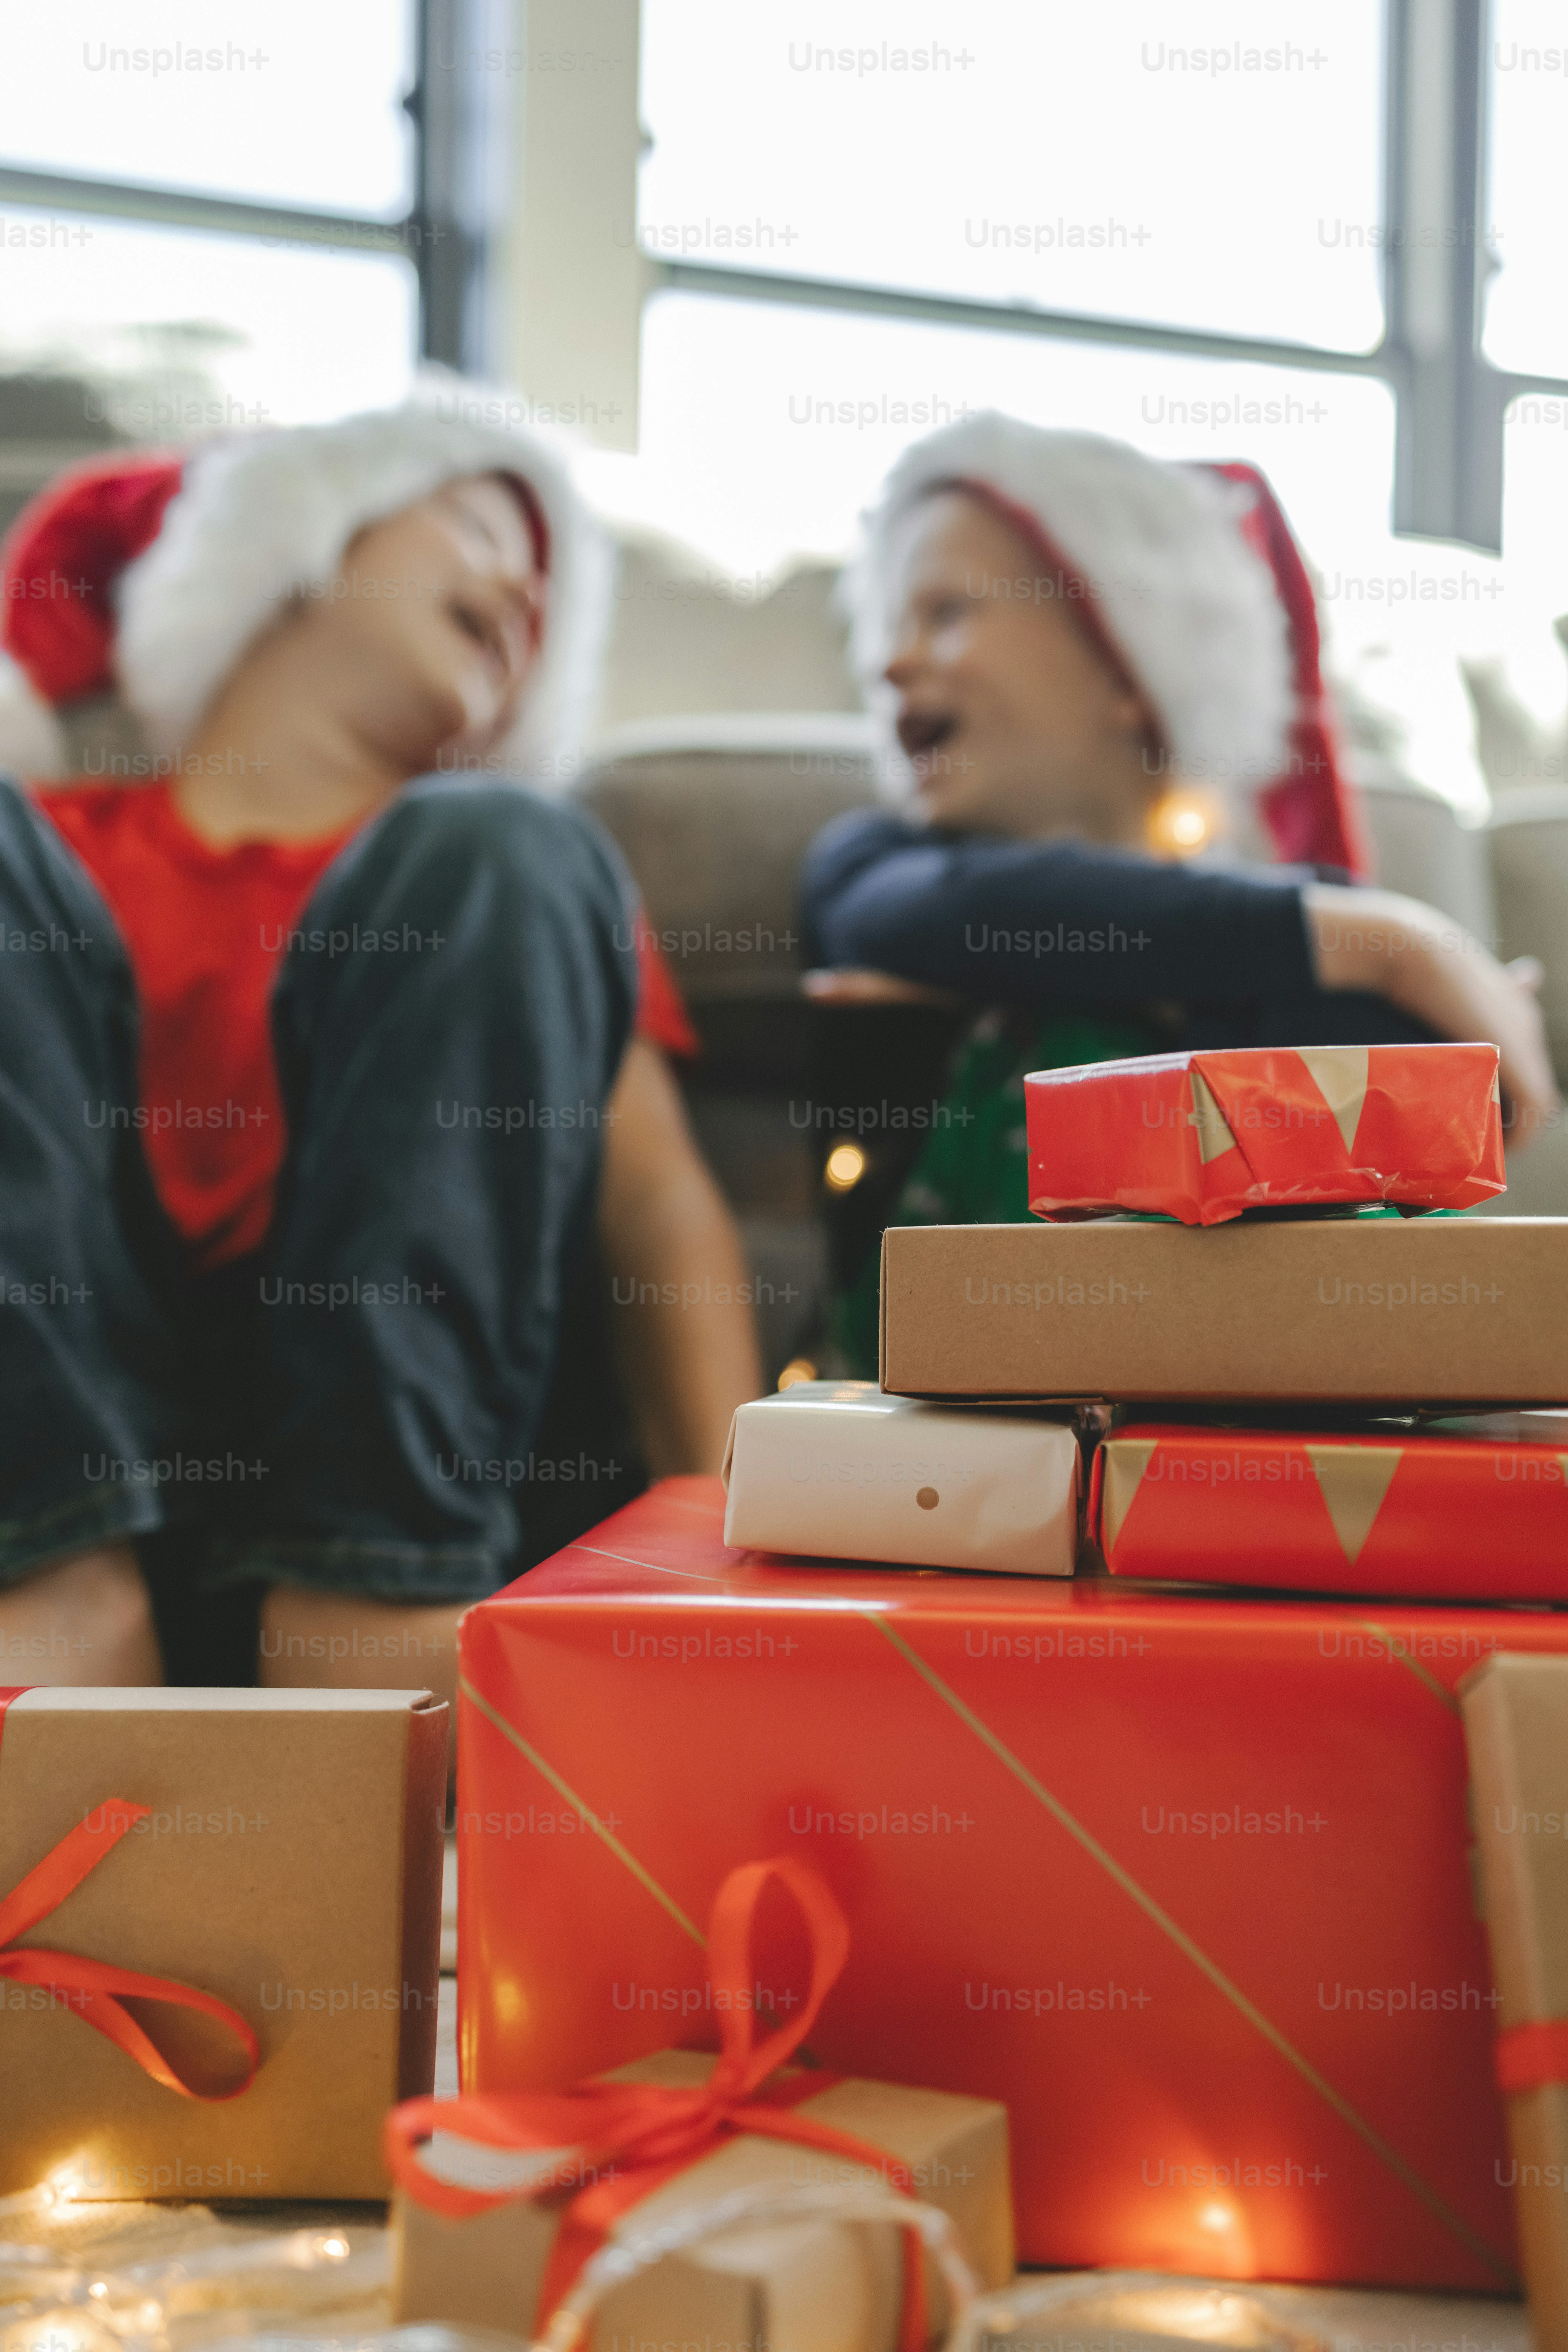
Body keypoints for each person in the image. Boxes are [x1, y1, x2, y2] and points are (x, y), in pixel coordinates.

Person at [0, 393, 761, 1712]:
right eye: (473, 522)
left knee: (503, 848)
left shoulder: (503, 888)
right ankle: (48, 1579)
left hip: (441, 1496)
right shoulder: (57, 851)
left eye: (544, 592)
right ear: (301, 542)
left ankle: (369, 1595)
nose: (523, 583)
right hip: (109, 1481)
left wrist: (728, 1530)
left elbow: (659, 1210)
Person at [801, 412, 1558, 1370]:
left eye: (947, 613)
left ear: (1127, 666)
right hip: (929, 1430)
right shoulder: (871, 865)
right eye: (890, 624)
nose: (888, 662)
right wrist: (1388, 943)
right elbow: (939, 914)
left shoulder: (1263, 916)